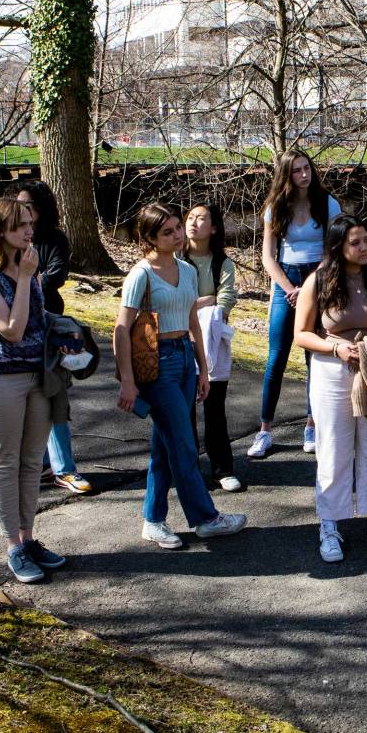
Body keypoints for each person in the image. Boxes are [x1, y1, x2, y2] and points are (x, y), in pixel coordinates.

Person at [115, 202, 248, 549]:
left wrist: (204, 368)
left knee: (165, 448)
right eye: (168, 231)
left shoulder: (187, 271)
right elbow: (121, 328)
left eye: (177, 228)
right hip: (156, 365)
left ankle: (153, 520)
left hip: (185, 359)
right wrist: (127, 380)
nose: (177, 235)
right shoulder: (140, 275)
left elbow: (193, 323)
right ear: (149, 237)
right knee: (184, 444)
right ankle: (205, 519)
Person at [0, 197, 65, 584]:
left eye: (29, 223)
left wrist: (66, 334)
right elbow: (10, 329)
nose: (28, 230)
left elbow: (37, 322)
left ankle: (29, 537)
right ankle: (13, 546)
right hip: (0, 379)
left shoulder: (30, 266)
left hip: (39, 376)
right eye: (19, 225)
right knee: (5, 462)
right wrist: (24, 279)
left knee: (31, 461)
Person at [293, 214, 367, 561]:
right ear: (338, 246)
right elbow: (302, 334)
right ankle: (329, 525)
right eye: (355, 242)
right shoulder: (320, 280)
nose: (364, 247)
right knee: (334, 448)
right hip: (331, 370)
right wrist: (336, 347)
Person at [253, 150, 341, 460]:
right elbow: (268, 256)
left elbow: (334, 251)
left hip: (318, 278)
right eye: (297, 171)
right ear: (286, 175)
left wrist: (311, 286)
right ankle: (264, 430)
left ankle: (311, 424)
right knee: (276, 357)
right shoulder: (276, 207)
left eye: (307, 168)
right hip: (286, 281)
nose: (304, 174)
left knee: (313, 357)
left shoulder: (327, 203)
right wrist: (290, 288)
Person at [12, 180, 90, 496]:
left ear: (42, 209)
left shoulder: (53, 239)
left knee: (53, 394)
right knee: (26, 400)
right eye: (18, 203)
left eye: (28, 205)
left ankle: (65, 470)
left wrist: (27, 282)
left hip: (46, 326)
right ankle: (40, 465)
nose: (23, 211)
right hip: (17, 330)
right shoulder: (11, 238)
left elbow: (55, 277)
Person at [184, 202, 242, 493]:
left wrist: (201, 304)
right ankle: (190, 470)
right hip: (180, 342)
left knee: (215, 409)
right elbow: (175, 301)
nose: (193, 222)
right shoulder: (176, 259)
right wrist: (205, 301)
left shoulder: (223, 263)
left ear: (214, 227)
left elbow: (226, 301)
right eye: (190, 217)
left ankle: (223, 469)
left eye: (201, 218)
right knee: (184, 411)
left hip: (212, 343)